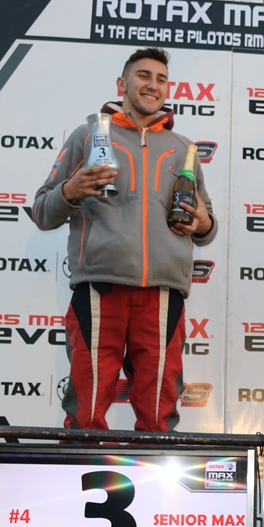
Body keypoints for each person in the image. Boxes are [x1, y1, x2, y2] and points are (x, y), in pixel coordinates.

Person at [32, 47, 217, 432]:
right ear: (122, 83)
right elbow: (42, 212)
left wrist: (203, 224)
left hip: (163, 294)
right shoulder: (88, 136)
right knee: (86, 410)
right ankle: (78, 467)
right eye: (143, 76)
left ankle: (155, 472)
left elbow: (207, 225)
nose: (153, 85)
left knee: (158, 414)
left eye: (161, 79)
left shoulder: (183, 148)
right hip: (101, 289)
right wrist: (70, 190)